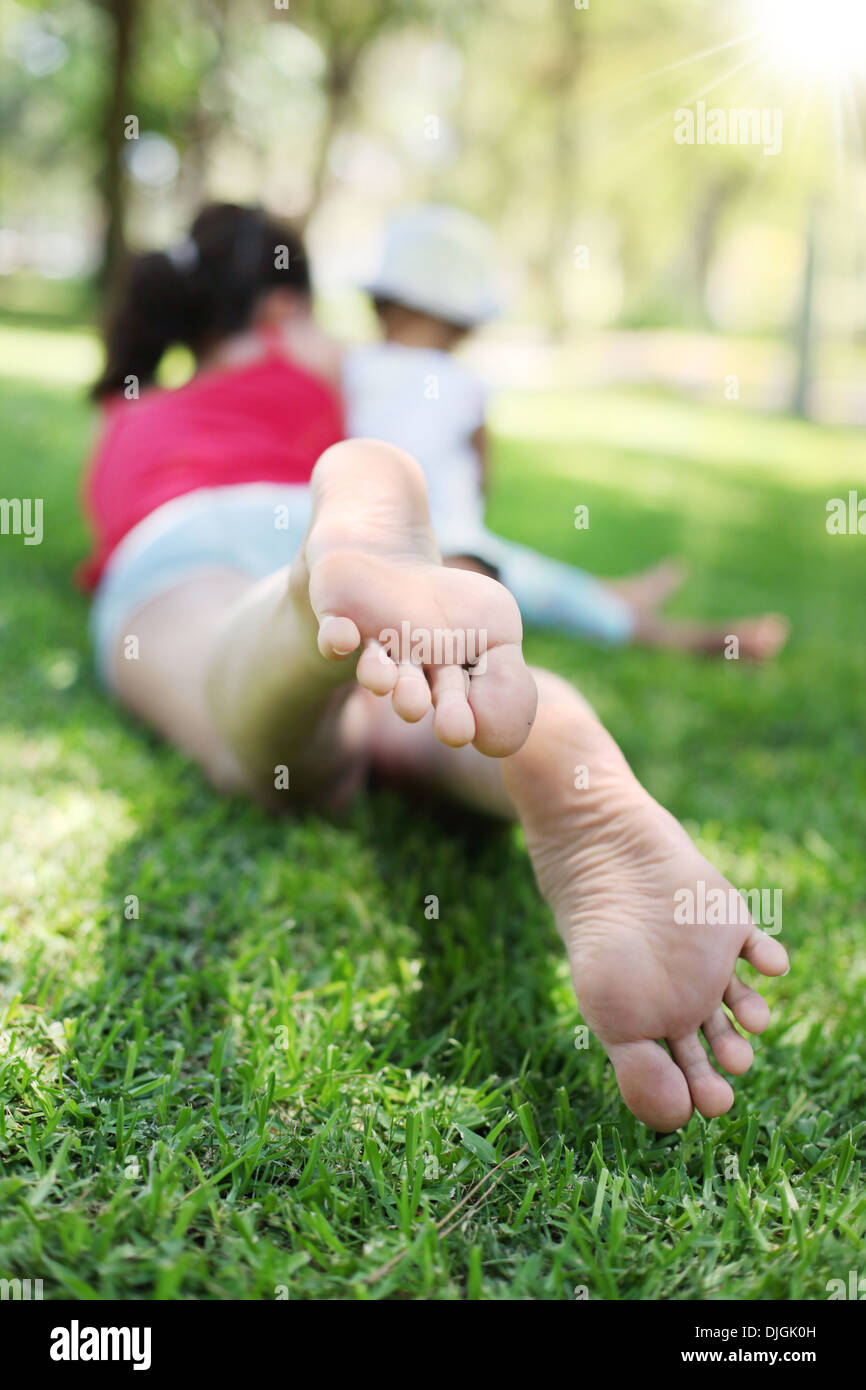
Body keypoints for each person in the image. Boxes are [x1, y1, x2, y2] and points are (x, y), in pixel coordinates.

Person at [80, 202, 788, 1133]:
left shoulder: (134, 418)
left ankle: (311, 589)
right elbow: (486, 541)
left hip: (179, 551)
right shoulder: (325, 380)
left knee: (245, 708)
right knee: (422, 704)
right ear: (281, 312)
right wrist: (620, 612)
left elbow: (105, 524)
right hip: (302, 503)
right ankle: (535, 733)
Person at [343, 204, 789, 658]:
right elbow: (482, 471)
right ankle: (677, 634)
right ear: (464, 323)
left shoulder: (351, 367)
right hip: (455, 546)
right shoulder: (464, 386)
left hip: (378, 544)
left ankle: (614, 592)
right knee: (527, 585)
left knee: (522, 572)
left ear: (380, 302)